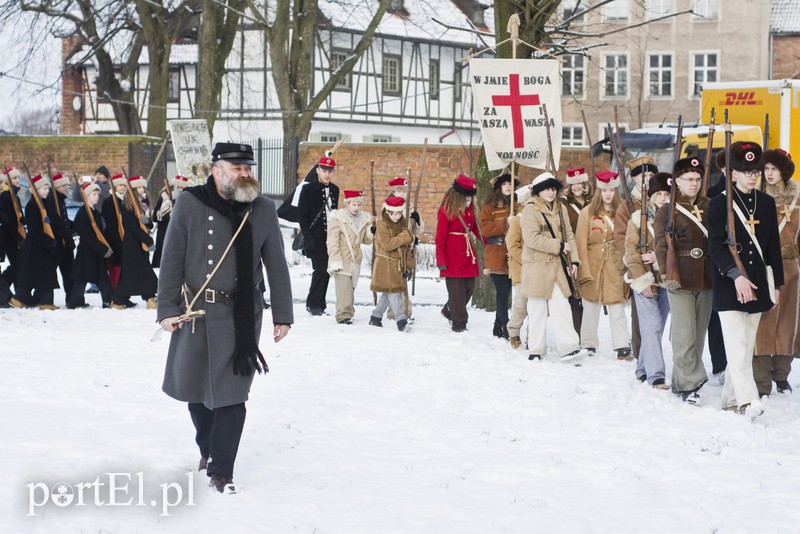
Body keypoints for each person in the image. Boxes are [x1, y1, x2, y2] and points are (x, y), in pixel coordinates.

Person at [157, 142, 293, 494]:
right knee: (196, 391)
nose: (246, 173)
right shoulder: (189, 203)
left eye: (249, 168)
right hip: (197, 312)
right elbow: (171, 259)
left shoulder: (262, 208)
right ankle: (208, 449)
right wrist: (167, 309)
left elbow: (276, 263)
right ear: (216, 171)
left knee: (233, 395)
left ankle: (221, 468)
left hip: (242, 316)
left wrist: (283, 314)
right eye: (238, 168)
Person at [708, 141, 783, 416]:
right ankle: (748, 401)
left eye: (756, 171)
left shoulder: (766, 203)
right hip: (729, 286)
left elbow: (772, 247)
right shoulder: (718, 204)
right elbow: (715, 246)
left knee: (745, 345)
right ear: (733, 173)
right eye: (746, 170)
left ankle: (729, 399)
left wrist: (776, 285)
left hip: (759, 285)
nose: (753, 176)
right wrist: (735, 275)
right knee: (737, 346)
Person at [654, 157, 713, 405]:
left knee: (698, 334)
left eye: (698, 179)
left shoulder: (712, 206)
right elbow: (659, 245)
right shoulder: (666, 211)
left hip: (707, 278)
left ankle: (681, 381)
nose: (694, 184)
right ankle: (690, 383)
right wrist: (666, 276)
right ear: (676, 181)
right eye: (689, 179)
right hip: (679, 277)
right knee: (684, 332)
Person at [519, 172, 585, 362]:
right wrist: (558, 246)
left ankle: (569, 347)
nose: (551, 192)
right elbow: (531, 239)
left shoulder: (561, 208)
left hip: (557, 267)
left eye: (554, 188)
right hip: (536, 267)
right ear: (539, 191)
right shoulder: (530, 210)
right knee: (537, 308)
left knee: (561, 305)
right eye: (547, 189)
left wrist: (574, 261)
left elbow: (569, 236)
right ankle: (536, 349)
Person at [754, 148, 798, 396]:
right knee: (763, 322)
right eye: (766, 169)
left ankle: (781, 375)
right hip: (765, 267)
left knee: (787, 323)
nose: (769, 174)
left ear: (784, 171)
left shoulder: (797, 198)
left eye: (774, 169)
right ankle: (761, 379)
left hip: (792, 268)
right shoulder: (757, 197)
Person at [623, 172, 672, 388]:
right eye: (659, 194)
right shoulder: (638, 220)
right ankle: (656, 376)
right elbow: (631, 253)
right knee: (652, 325)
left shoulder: (676, 219)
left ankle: (642, 368)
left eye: (667, 194)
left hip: (667, 279)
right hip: (644, 279)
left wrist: (658, 257)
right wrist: (642, 282)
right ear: (651, 196)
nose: (663, 198)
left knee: (657, 326)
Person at [576, 170, 631, 359]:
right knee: (591, 304)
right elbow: (580, 242)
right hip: (592, 261)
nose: (608, 194)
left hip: (615, 263)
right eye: (605, 190)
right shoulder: (587, 213)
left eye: (612, 190)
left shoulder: (623, 213)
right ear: (599, 191)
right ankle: (588, 343)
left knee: (616, 306)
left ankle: (622, 345)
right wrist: (583, 269)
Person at [614, 156, 658, 362]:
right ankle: (642, 356)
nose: (647, 180)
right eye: (643, 176)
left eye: (651, 175)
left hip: (661, 265)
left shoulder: (660, 200)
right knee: (640, 316)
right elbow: (622, 240)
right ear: (634, 180)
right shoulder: (626, 206)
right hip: (638, 265)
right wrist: (636, 263)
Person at [436, 174, 480, 332]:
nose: (469, 198)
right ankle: (459, 324)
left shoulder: (470, 210)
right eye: (466, 195)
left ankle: (450, 310)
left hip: (468, 255)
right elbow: (440, 238)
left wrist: (488, 241)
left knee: (469, 287)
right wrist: (441, 259)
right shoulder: (445, 210)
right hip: (452, 255)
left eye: (470, 195)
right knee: (457, 292)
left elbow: (475, 229)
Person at [479, 172, 518, 339]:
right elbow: (484, 229)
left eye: (510, 183)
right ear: (499, 187)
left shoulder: (518, 205)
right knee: (502, 291)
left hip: (513, 252)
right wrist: (504, 223)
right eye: (504, 184)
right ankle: (505, 325)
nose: (508, 186)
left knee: (507, 291)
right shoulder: (490, 206)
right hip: (496, 252)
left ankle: (496, 326)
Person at [298, 155, 339, 315]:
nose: (327, 174)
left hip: (331, 237)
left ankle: (320, 303)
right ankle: (313, 304)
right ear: (317, 170)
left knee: (327, 270)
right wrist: (308, 236)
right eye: (323, 170)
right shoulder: (308, 189)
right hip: (315, 237)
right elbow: (302, 215)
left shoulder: (335, 190)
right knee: (320, 270)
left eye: (330, 171)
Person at [110, 176, 158, 309]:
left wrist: (146, 221)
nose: (141, 189)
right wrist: (147, 239)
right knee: (143, 272)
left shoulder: (143, 203)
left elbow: (147, 223)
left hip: (140, 243)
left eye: (143, 187)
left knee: (134, 273)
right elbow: (133, 227)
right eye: (138, 187)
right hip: (132, 244)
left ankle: (121, 299)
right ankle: (148, 298)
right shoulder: (127, 205)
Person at [326, 190, 372, 324]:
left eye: (359, 204)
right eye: (353, 204)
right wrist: (335, 260)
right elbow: (332, 241)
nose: (356, 207)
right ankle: (343, 316)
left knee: (350, 289)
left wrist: (371, 233)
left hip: (356, 259)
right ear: (347, 203)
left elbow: (366, 240)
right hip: (342, 258)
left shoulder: (364, 219)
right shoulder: (338, 218)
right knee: (343, 289)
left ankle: (348, 313)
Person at [369, 196, 414, 331]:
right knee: (394, 293)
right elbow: (388, 245)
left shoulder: (402, 226)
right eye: (394, 213)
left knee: (388, 293)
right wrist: (404, 236)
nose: (397, 216)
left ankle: (375, 317)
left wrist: (409, 267)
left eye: (399, 213)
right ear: (387, 212)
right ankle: (401, 321)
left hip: (398, 266)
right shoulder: (382, 225)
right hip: (385, 265)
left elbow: (407, 249)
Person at [16, 175, 59, 309]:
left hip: (42, 246)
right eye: (44, 188)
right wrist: (49, 241)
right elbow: (35, 230)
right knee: (30, 275)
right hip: (35, 246)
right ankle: (20, 299)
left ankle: (46, 301)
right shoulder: (32, 205)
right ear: (36, 190)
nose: (47, 191)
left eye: (47, 188)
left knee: (46, 274)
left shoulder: (42, 203)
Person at [68, 182, 113, 309]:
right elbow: (87, 236)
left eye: (97, 194)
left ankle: (107, 300)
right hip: (86, 252)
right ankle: (75, 301)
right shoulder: (82, 213)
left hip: (96, 252)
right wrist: (102, 249)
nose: (97, 197)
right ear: (86, 196)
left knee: (102, 277)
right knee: (81, 278)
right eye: (93, 194)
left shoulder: (95, 212)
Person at [562, 167, 593, 334]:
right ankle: (575, 333)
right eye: (573, 184)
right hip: (572, 252)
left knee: (587, 295)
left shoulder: (592, 202)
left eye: (579, 183)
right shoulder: (563, 204)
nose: (576, 187)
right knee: (574, 296)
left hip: (590, 252)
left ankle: (587, 333)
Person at [506, 183, 533, 349]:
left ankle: (533, 336)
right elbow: (512, 244)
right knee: (522, 303)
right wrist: (526, 260)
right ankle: (513, 331)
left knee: (536, 305)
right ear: (523, 203)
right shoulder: (518, 220)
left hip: (537, 269)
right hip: (520, 267)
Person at [44, 173, 76, 306]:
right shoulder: (52, 199)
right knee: (50, 272)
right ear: (56, 186)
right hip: (57, 242)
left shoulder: (60, 199)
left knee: (69, 271)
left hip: (64, 242)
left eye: (66, 185)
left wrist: (74, 226)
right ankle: (42, 299)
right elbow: (56, 222)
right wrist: (67, 235)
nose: (65, 188)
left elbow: (63, 219)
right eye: (63, 185)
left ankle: (71, 299)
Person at [152, 175, 189, 268]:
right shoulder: (164, 196)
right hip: (164, 232)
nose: (180, 190)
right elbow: (155, 217)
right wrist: (168, 210)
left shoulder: (186, 198)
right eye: (178, 187)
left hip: (178, 232)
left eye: (182, 188)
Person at [102, 173, 129, 298]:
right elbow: (111, 225)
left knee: (124, 269)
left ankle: (123, 295)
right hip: (114, 241)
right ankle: (117, 296)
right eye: (119, 185)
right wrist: (118, 242)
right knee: (116, 269)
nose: (122, 187)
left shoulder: (123, 201)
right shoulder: (109, 202)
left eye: (124, 185)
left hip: (123, 240)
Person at [0, 167, 25, 293]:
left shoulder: (15, 197)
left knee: (18, 265)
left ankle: (4, 289)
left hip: (17, 236)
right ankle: (19, 294)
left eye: (18, 177)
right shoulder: (5, 196)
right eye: (14, 178)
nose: (17, 180)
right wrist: (18, 239)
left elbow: (18, 219)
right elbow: (8, 223)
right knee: (17, 266)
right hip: (10, 238)